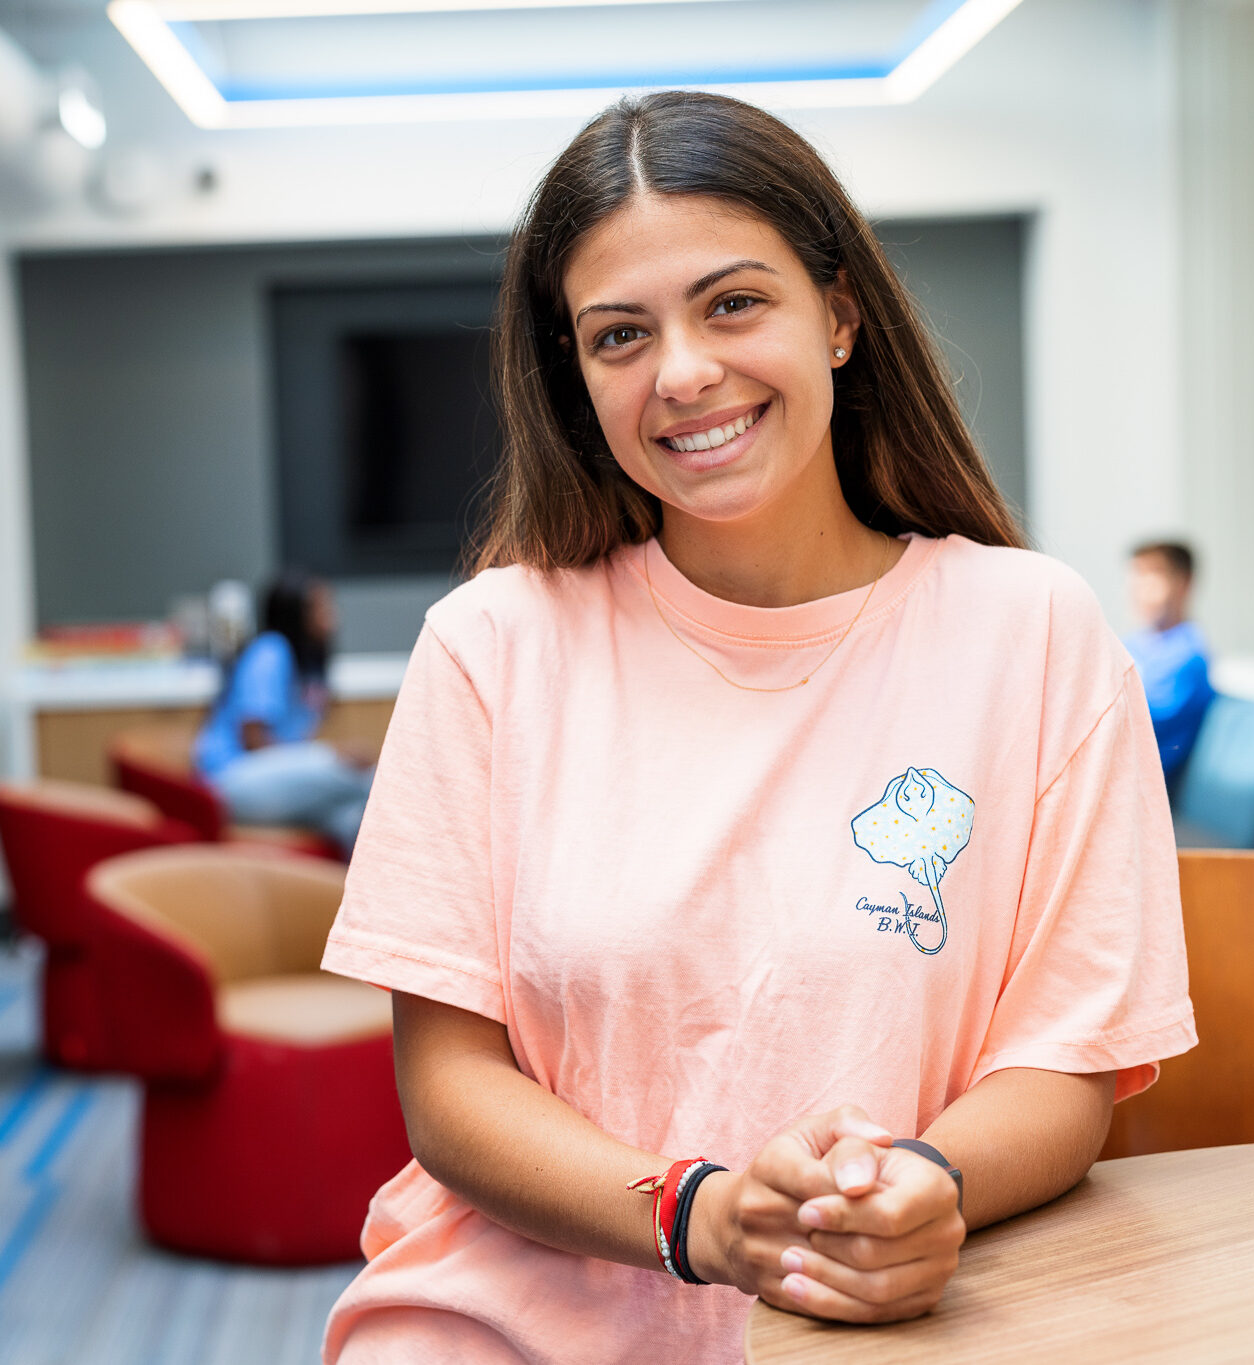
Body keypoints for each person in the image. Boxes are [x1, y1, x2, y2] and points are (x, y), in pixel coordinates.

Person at [318, 92, 1196, 1365]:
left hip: (885, 1317)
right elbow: (449, 1094)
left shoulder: (1034, 634)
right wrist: (703, 1217)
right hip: (514, 1324)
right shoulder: (491, 645)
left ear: (838, 316)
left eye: (732, 303)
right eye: (620, 335)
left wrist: (919, 1188)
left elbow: (1066, 1067)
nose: (681, 373)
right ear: (577, 374)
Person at [192, 571, 372, 855]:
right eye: (321, 607)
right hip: (229, 782)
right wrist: (329, 756)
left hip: (269, 780)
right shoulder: (271, 651)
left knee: (352, 816)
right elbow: (253, 741)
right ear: (296, 613)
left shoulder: (310, 665)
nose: (332, 614)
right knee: (370, 778)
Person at [1123, 541, 1215, 787]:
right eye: (1137, 574)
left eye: (1153, 574)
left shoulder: (1188, 656)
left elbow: (1132, 724)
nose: (1140, 586)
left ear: (1184, 583)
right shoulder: (1133, 644)